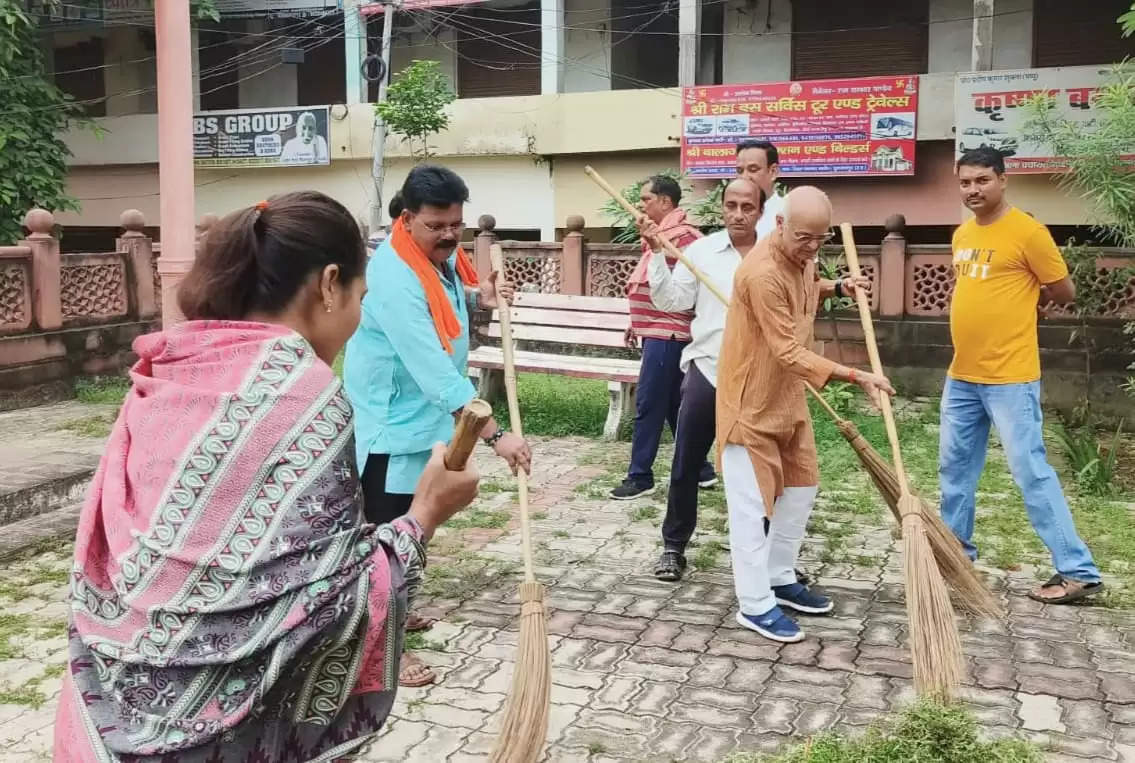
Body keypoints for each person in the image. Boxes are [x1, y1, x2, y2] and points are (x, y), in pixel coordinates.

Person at [53, 191, 480, 760]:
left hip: (108, 719)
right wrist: (424, 514)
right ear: (330, 284)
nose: (356, 317)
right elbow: (329, 608)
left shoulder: (168, 365)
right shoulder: (303, 399)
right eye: (359, 296)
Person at [344, 164, 532, 685]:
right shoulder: (393, 275)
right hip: (391, 428)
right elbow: (428, 362)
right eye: (437, 225)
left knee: (417, 527)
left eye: (456, 224)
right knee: (385, 539)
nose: (450, 235)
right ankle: (382, 648)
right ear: (407, 219)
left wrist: (482, 298)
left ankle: (402, 609)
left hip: (428, 422)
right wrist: (495, 435)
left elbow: (447, 310)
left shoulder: (439, 260)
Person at [718, 186, 894, 643]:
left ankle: (779, 577)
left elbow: (804, 290)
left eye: (821, 239)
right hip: (749, 405)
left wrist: (837, 286)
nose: (813, 248)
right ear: (779, 225)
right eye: (804, 238)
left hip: (787, 398)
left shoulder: (803, 259)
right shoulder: (759, 273)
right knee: (752, 506)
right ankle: (755, 605)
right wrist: (857, 377)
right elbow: (786, 349)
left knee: (801, 488)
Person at [941, 148, 1103, 604]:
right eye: (965, 182)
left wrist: (1039, 304)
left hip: (1010, 375)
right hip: (962, 376)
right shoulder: (961, 235)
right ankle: (956, 556)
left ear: (1002, 180)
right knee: (954, 472)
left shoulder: (1028, 232)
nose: (973, 190)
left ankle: (1077, 570)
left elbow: (1063, 290)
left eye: (982, 181)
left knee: (1030, 471)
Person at [639, 177, 762, 581]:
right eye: (731, 206)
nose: (738, 214)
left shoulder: (774, 255)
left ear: (760, 209)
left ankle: (770, 556)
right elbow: (672, 300)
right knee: (686, 463)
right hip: (708, 369)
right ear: (721, 208)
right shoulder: (702, 251)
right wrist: (657, 252)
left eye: (747, 206)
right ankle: (673, 547)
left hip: (760, 377)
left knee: (763, 471)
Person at [611, 175, 716, 499]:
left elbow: (688, 288)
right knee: (672, 403)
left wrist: (653, 321)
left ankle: (640, 476)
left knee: (649, 404)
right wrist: (638, 321)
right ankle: (701, 469)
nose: (641, 206)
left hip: (669, 333)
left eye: (646, 200)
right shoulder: (658, 236)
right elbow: (653, 284)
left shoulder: (684, 238)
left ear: (666, 202)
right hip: (656, 330)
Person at [736, 139, 786, 239]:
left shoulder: (789, 214)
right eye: (740, 171)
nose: (744, 177)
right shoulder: (734, 215)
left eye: (753, 170)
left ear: (773, 171)